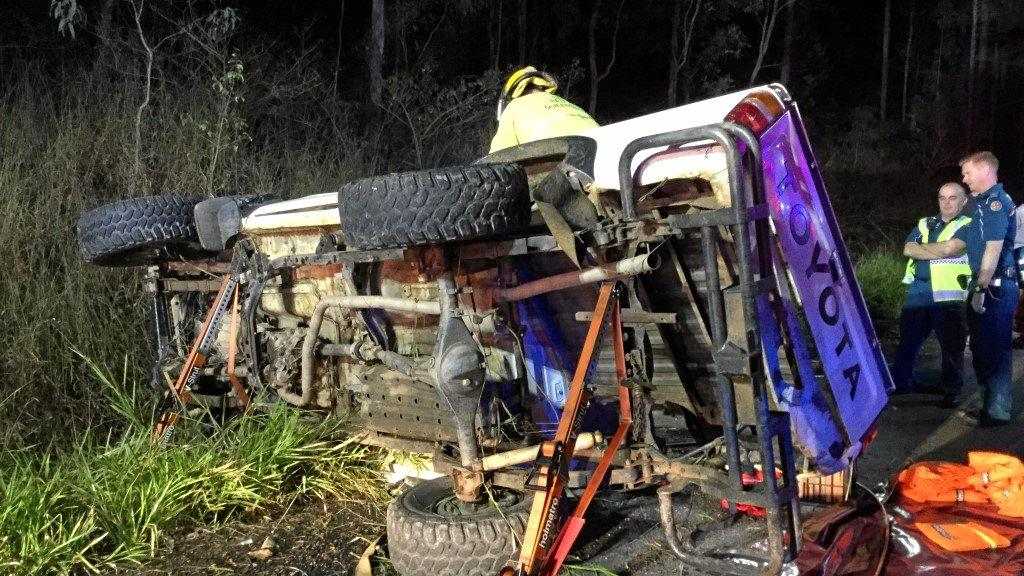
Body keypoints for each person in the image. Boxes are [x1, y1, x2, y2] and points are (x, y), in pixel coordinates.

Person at [891, 183, 973, 407]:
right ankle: (901, 383)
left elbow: (951, 249)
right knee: (908, 342)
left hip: (949, 296)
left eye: (953, 198)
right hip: (919, 292)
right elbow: (908, 248)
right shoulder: (925, 222)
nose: (947, 203)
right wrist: (938, 249)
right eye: (942, 197)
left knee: (951, 346)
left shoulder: (970, 224)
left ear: (963, 201)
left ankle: (951, 391)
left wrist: (924, 249)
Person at [960, 151, 1018, 426]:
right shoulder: (981, 204)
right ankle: (989, 407)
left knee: (994, 350)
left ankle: (997, 413)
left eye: (968, 173)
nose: (964, 178)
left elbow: (993, 249)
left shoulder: (995, 203)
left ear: (985, 171)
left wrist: (981, 287)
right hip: (987, 285)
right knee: (983, 349)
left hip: (995, 287)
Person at [489, 66, 598, 153]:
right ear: (541, 85)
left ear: (513, 91)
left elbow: (497, 156)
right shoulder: (566, 103)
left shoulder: (514, 106)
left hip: (560, 161)